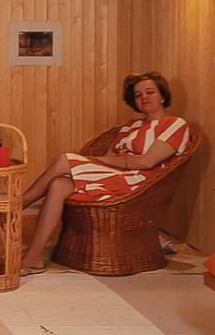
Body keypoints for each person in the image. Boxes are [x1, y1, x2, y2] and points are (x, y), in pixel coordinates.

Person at [19, 71, 191, 274]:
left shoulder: (174, 124)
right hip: (113, 174)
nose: (143, 97)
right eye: (138, 95)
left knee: (65, 159)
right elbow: (112, 155)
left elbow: (146, 161)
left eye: (149, 92)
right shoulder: (132, 126)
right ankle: (33, 256)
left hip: (139, 183)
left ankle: (17, 205)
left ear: (162, 96)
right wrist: (99, 163)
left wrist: (96, 161)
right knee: (58, 184)